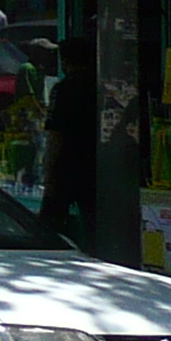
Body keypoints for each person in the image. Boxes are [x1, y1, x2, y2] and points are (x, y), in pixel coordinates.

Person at [39, 35, 96, 242]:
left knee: (48, 226)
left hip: (67, 166)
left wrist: (48, 170)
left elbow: (56, 134)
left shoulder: (64, 89)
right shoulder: (100, 87)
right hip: (95, 166)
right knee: (94, 222)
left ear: (65, 61)